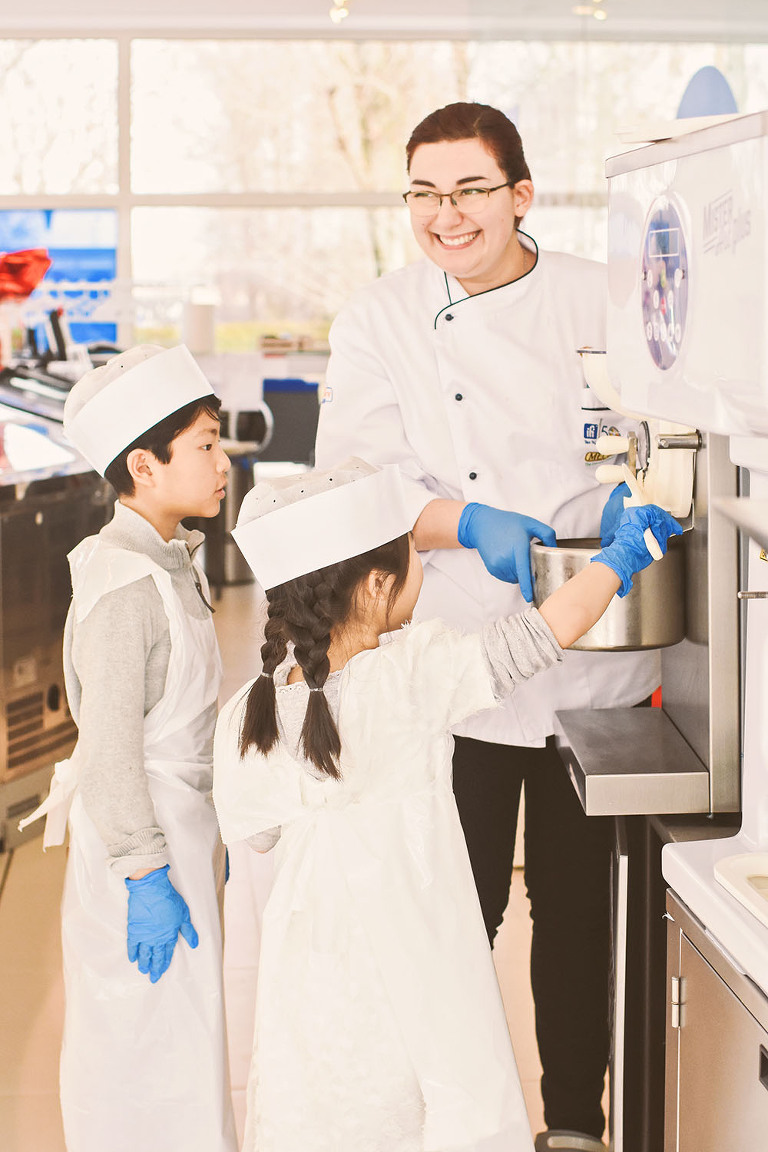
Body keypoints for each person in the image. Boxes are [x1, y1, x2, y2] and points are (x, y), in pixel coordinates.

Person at [314, 101, 660, 1152]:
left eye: (470, 189)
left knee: (577, 914)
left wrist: (637, 497)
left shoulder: (605, 299)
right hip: (452, 654)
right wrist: (464, 522)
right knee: (454, 913)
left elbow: (667, 428)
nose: (446, 215)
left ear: (521, 195)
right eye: (424, 193)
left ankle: (575, 1126)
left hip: (594, 657)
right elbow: (357, 485)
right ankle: (441, 1119)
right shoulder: (379, 316)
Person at [212, 457, 681, 1152]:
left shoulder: (250, 711)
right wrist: (619, 558)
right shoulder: (409, 675)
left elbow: (256, 837)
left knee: (326, 1103)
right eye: (415, 551)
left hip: (312, 966)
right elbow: (545, 632)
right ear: (378, 586)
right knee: (434, 1102)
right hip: (417, 946)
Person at [20, 344, 237, 1152]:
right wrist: (145, 873)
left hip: (179, 837)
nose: (224, 462)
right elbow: (109, 750)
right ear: (144, 466)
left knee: (184, 1048)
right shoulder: (125, 588)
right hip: (138, 854)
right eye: (206, 445)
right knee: (139, 1051)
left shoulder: (167, 560)